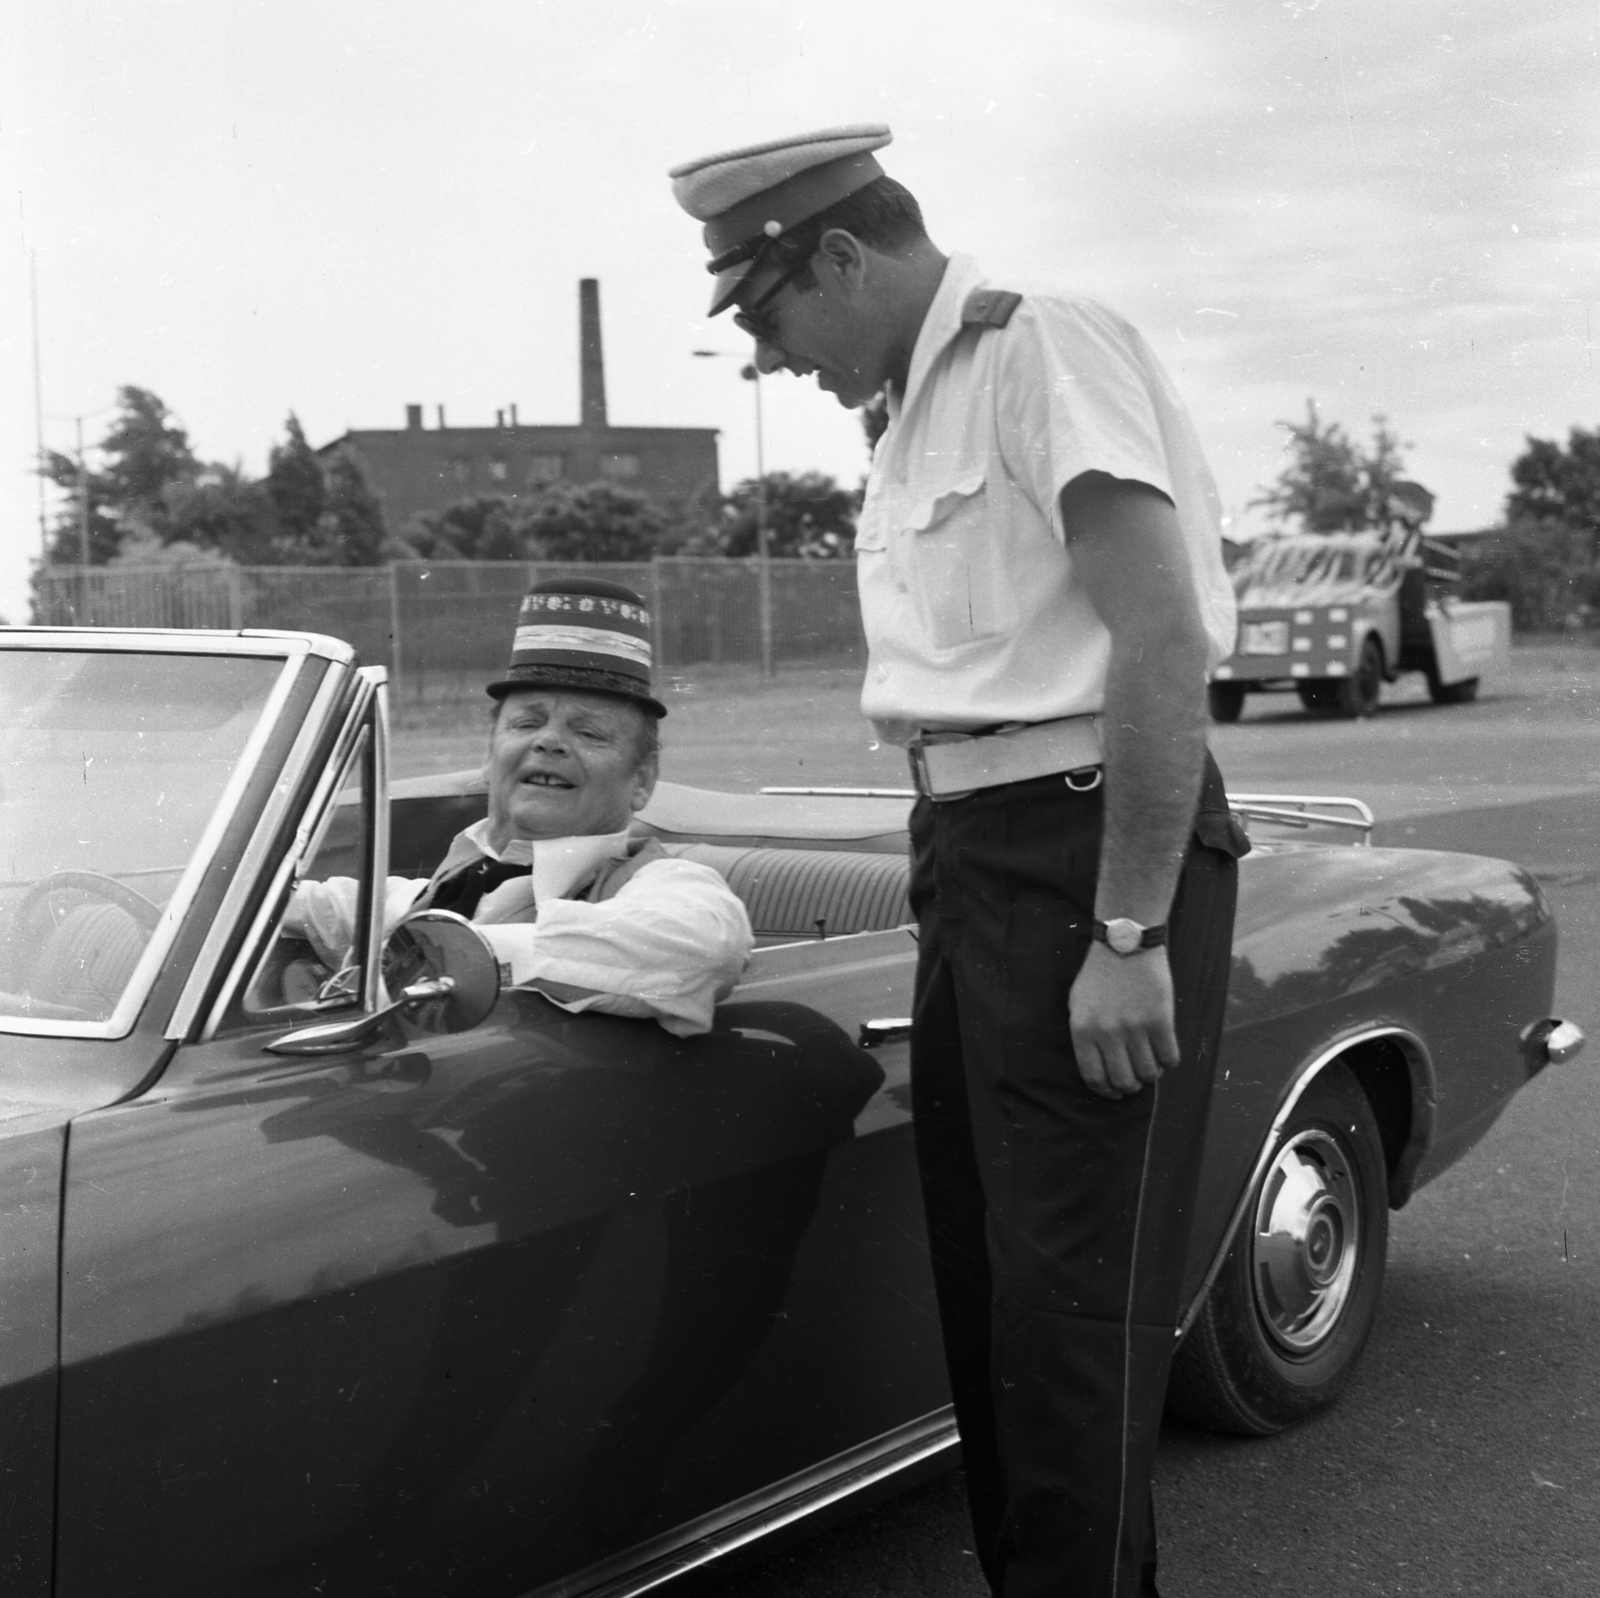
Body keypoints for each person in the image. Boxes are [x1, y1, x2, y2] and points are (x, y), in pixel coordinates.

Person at [669, 125, 1248, 1595]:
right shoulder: (912, 404)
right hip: (977, 848)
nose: (771, 354)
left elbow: (1162, 636)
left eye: (771, 311)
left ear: (845, 254)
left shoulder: (1035, 346)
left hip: (1083, 847)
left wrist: (1128, 931)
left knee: (1070, 1315)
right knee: (996, 1299)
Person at [288, 577, 754, 1038]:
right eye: (527, 722)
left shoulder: (668, 884)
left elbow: (706, 949)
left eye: (589, 733)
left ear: (642, 780)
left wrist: (461, 957)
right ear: (490, 755)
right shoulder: (436, 894)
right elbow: (315, 907)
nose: (549, 741)